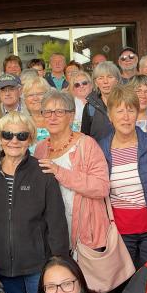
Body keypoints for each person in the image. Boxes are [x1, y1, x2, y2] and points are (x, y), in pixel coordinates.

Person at [0, 112, 69, 293]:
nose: (14, 141)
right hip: (0, 267)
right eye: (8, 134)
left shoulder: (43, 172)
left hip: (37, 265)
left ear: (30, 138)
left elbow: (56, 223)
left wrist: (59, 263)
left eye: (21, 136)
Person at [99, 86, 147, 268]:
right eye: (119, 111)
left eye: (130, 110)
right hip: (119, 231)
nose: (126, 116)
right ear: (110, 115)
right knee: (124, 282)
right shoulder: (101, 149)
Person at [35, 91, 110, 251]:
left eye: (59, 112)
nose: (52, 117)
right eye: (47, 112)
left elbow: (101, 187)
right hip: (54, 237)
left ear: (71, 115)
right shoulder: (40, 148)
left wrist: (59, 171)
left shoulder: (86, 144)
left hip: (87, 236)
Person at [80, 61, 120, 142]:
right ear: (96, 82)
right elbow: (84, 138)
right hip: (98, 153)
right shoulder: (90, 107)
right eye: (100, 78)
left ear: (117, 80)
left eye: (110, 77)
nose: (105, 82)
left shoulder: (126, 103)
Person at [22, 76, 52, 146]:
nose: (35, 98)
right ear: (25, 100)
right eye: (30, 95)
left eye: (40, 94)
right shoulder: (20, 123)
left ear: (49, 96)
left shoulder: (60, 119)